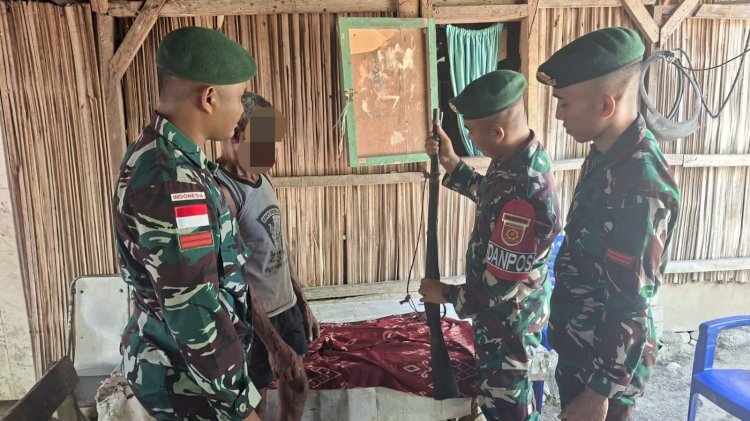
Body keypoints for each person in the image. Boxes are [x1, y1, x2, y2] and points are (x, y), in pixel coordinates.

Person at [113, 27, 262, 420]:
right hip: (186, 384)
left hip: (190, 371)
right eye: (239, 97)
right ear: (209, 98)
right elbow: (194, 308)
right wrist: (240, 407)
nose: (241, 111)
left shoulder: (169, 158)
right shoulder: (172, 180)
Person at [536, 27, 681, 421]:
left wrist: (599, 392)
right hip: (582, 348)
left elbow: (631, 302)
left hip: (605, 369)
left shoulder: (642, 183)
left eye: (564, 103)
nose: (558, 114)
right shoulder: (606, 155)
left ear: (605, 105)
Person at [419, 69, 562, 421]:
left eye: (471, 131)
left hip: (509, 323)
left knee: (510, 411)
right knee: (494, 403)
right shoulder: (515, 159)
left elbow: (500, 286)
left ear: (497, 133)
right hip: (498, 319)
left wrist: (445, 293)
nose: (469, 137)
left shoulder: (525, 189)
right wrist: (452, 162)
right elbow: (491, 195)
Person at [215, 92, 320, 421]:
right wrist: (273, 344)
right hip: (254, 322)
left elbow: (278, 245)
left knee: (297, 384)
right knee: (253, 404)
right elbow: (235, 276)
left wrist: (301, 301)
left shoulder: (262, 179)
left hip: (285, 308)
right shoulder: (222, 192)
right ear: (236, 135)